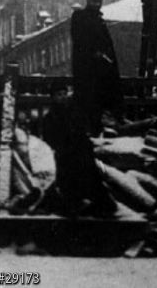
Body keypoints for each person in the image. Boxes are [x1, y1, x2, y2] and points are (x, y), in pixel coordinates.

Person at [41, 82, 117, 217]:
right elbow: (50, 140)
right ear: (52, 97)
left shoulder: (73, 113)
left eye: (64, 94)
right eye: (59, 95)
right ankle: (75, 203)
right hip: (62, 154)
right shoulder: (50, 118)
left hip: (78, 152)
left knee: (88, 169)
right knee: (70, 170)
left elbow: (81, 132)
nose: (63, 97)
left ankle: (100, 203)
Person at [70, 0, 122, 135]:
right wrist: (95, 53)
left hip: (101, 73)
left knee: (99, 106)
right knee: (89, 107)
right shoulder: (79, 17)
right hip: (87, 72)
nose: (97, 4)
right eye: (94, 1)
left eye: (99, 1)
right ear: (87, 0)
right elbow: (79, 40)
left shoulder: (99, 20)